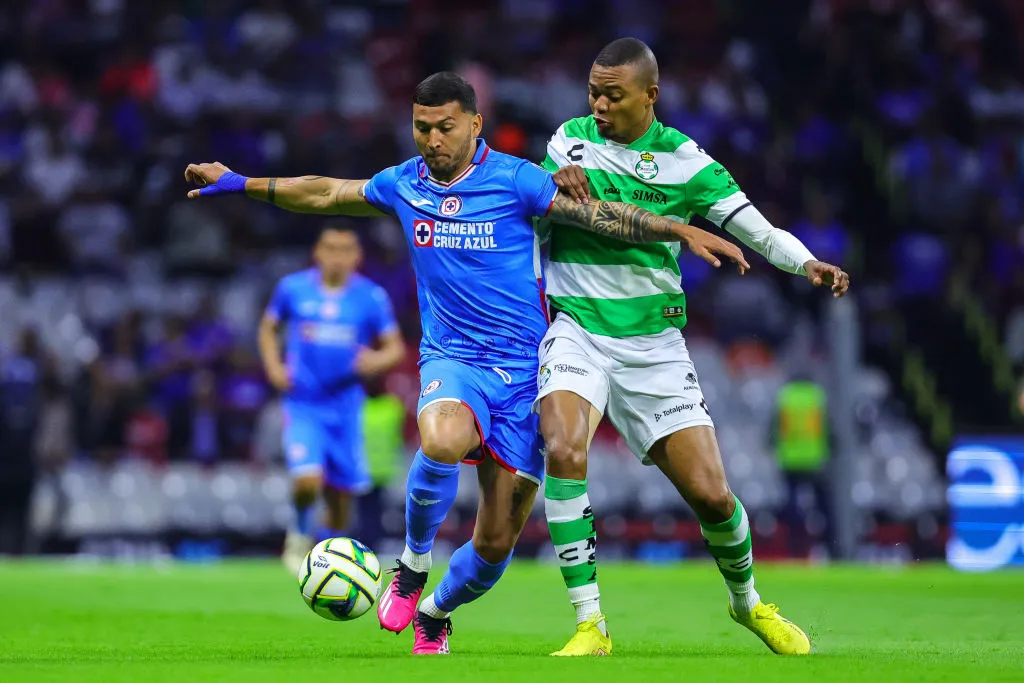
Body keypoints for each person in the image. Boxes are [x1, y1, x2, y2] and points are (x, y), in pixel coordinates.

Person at [185, 71, 747, 655]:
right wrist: (239, 183)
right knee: (442, 440)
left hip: (529, 374)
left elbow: (597, 216)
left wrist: (677, 228)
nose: (432, 140)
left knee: (495, 543)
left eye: (445, 127)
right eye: (421, 127)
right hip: (453, 359)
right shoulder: (403, 184)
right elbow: (326, 191)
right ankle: (411, 563)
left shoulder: (517, 180)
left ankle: (435, 612)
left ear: (475, 124)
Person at [538, 38, 850, 656]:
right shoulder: (568, 141)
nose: (598, 104)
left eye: (613, 94)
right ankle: (589, 624)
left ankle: (748, 604)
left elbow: (755, 228)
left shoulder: (687, 162)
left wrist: (807, 262)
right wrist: (558, 184)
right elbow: (557, 210)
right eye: (593, 91)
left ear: (650, 95)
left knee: (711, 494)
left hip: (654, 346)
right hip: (577, 329)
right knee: (564, 447)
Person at [258, 225, 406, 571]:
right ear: (317, 253)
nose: (337, 257)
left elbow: (395, 348)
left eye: (345, 250)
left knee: (341, 498)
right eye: (330, 248)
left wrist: (376, 359)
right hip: (304, 403)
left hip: (346, 406)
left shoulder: (370, 297)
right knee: (307, 479)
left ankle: (327, 553)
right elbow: (267, 327)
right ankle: (298, 537)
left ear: (357, 257)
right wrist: (273, 366)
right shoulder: (293, 289)